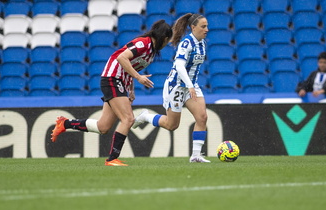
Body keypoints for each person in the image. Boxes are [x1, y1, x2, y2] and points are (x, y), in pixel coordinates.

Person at [50, 20, 173, 166]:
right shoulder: (143, 43)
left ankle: (65, 123)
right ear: (164, 38)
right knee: (128, 119)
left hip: (119, 81)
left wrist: (131, 89)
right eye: (167, 41)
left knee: (103, 127)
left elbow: (131, 67)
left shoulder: (151, 53)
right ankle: (112, 159)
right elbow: (122, 58)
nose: (166, 44)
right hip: (112, 78)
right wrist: (138, 77)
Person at [132, 13, 210, 163]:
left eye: (207, 26)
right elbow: (179, 65)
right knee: (171, 125)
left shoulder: (202, 43)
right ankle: (145, 116)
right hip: (177, 86)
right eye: (203, 26)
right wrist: (189, 85)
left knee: (202, 117)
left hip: (191, 86)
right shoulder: (186, 43)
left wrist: (191, 86)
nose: (206, 29)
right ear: (193, 27)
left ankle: (195, 155)